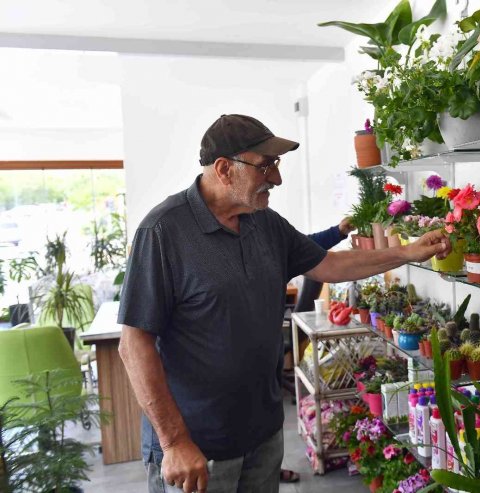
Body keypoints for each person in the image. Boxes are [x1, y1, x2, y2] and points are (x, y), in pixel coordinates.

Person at [117, 114, 450, 493]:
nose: (276, 178)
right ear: (225, 169)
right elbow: (134, 344)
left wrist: (407, 253)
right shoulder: (162, 232)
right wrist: (174, 442)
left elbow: (330, 264)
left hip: (262, 435)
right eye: (266, 166)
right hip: (197, 449)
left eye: (276, 165)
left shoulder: (265, 223)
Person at [279, 217, 353, 484]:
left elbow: (306, 246)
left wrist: (338, 231)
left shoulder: (267, 228)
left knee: (265, 427)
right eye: (266, 171)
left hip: (267, 351)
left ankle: (271, 467)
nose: (275, 180)